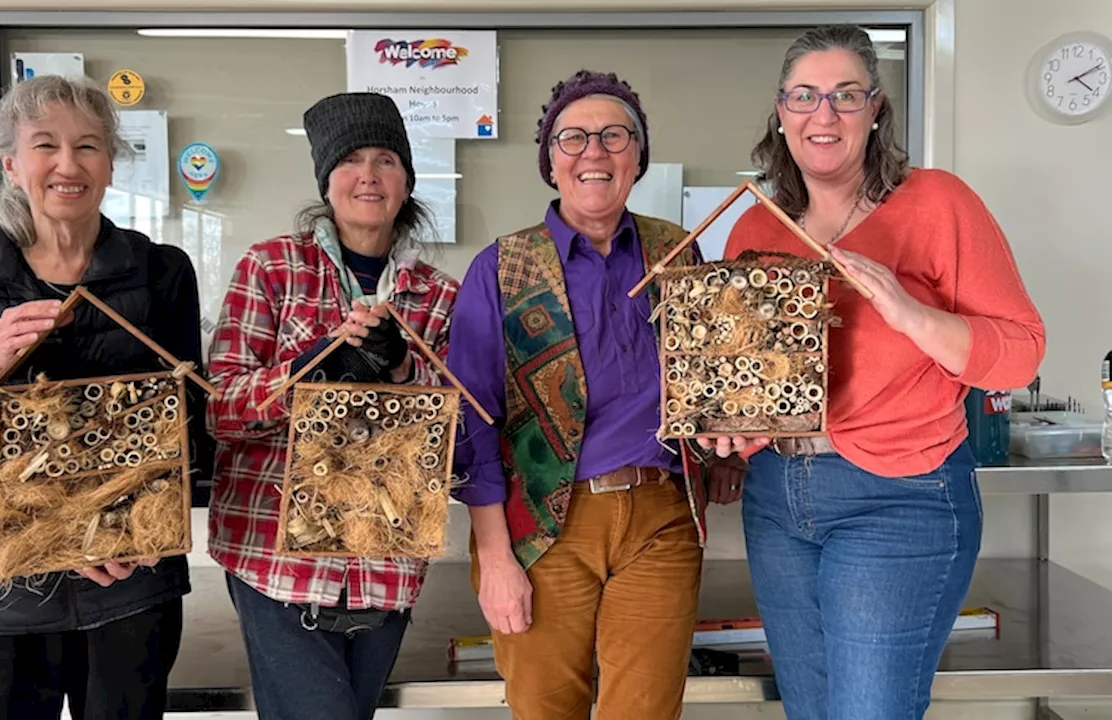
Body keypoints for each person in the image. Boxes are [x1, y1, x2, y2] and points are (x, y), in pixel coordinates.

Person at [705, 25, 1046, 719]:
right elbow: (760, 383)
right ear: (781, 110)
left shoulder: (938, 202)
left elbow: (1021, 350)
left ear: (876, 109)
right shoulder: (756, 231)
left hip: (900, 497)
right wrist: (729, 425)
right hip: (777, 501)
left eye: (845, 96)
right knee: (811, 709)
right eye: (804, 96)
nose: (822, 115)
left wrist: (910, 312)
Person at [0, 75, 211, 720]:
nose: (68, 165)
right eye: (46, 145)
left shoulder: (162, 272)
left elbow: (191, 424)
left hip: (128, 567)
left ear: (111, 164)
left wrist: (145, 531)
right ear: (12, 164)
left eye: (89, 147)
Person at [446, 70, 709, 720]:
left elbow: (710, 381)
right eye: (573, 138)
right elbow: (471, 423)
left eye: (614, 136)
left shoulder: (679, 254)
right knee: (546, 710)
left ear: (637, 156)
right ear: (550, 162)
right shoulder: (502, 268)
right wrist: (496, 558)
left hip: (660, 517)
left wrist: (725, 455)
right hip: (541, 529)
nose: (594, 151)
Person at [205, 91, 461, 720]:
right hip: (275, 564)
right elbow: (222, 412)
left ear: (406, 180)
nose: (368, 175)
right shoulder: (269, 269)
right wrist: (310, 368)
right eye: (350, 161)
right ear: (326, 180)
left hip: (387, 564)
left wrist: (404, 371)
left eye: (385, 160)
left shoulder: (440, 297)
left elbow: (458, 438)